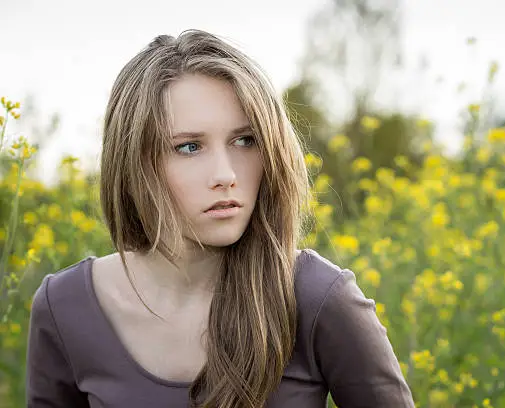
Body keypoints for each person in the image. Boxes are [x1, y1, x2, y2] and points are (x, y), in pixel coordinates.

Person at [25, 29, 415, 408]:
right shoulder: (65, 306)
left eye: (245, 140)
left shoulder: (318, 298)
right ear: (133, 164)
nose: (226, 174)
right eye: (189, 147)